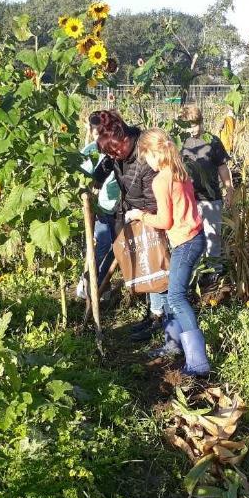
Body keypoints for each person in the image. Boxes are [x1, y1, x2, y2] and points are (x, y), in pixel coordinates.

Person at [125, 128, 210, 377]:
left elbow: (164, 220)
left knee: (176, 298)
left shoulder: (161, 179)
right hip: (195, 237)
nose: (147, 163)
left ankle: (198, 362)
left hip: (185, 242)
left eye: (146, 157)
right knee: (173, 294)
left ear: (153, 153)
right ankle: (174, 346)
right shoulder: (179, 170)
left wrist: (140, 215)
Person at [90, 111, 167, 340]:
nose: (115, 155)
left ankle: (160, 317)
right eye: (110, 152)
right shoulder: (117, 152)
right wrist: (94, 183)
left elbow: (154, 198)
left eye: (116, 150)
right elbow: (105, 167)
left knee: (156, 265)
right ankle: (153, 312)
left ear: (126, 138)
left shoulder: (145, 156)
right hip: (130, 213)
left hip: (148, 215)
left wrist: (142, 216)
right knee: (144, 266)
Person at [180, 105, 234, 283]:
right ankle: (195, 271)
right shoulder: (181, 143)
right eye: (188, 125)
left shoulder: (212, 141)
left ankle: (214, 270)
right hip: (189, 199)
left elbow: (222, 166)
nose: (193, 129)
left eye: (196, 124)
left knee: (213, 236)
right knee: (192, 237)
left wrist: (229, 188)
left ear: (202, 122)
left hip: (211, 197)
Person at [78, 114, 120, 296]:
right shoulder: (92, 151)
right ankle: (88, 284)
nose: (98, 139)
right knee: (103, 243)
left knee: (118, 246)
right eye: (95, 135)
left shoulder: (116, 148)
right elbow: (82, 178)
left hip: (118, 206)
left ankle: (102, 282)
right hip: (100, 206)